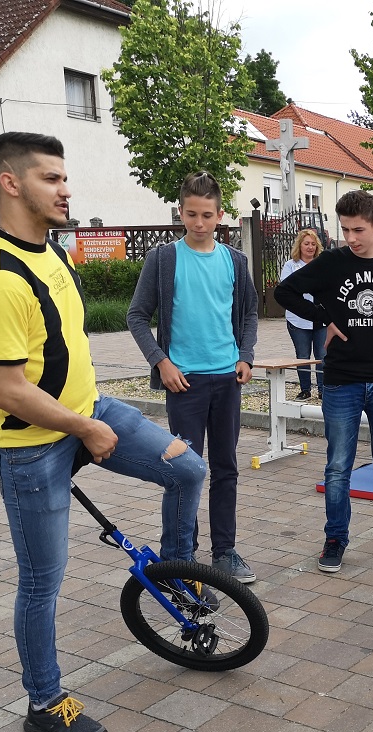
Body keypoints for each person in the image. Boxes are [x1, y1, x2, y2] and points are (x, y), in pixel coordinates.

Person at [0, 132, 210, 732]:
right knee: (42, 579)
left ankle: (173, 574)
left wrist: (92, 417)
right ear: (10, 183)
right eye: (51, 178)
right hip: (33, 444)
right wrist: (86, 429)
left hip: (89, 411)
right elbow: (7, 390)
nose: (65, 189)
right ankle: (44, 702)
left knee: (188, 469)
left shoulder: (51, 252)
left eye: (65, 178)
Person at [274, 190, 373, 574]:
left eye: (358, 230)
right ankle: (335, 539)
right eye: (345, 229)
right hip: (341, 380)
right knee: (337, 466)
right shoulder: (332, 261)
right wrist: (324, 319)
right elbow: (285, 291)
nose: (350, 238)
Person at [127, 172, 259, 585]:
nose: (199, 223)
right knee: (185, 470)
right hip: (183, 382)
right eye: (191, 214)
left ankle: (225, 552)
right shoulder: (163, 259)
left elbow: (250, 313)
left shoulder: (235, 261)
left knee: (225, 467)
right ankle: (184, 557)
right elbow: (136, 316)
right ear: (180, 213)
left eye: (206, 215)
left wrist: (246, 356)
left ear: (220, 215)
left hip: (227, 380)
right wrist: (161, 362)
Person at [280, 228, 327, 400]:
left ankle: (323, 389)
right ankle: (305, 389)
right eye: (306, 243)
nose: (310, 247)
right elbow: (286, 289)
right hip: (298, 319)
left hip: (321, 318)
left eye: (313, 244)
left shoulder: (321, 264)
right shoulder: (290, 265)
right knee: (302, 356)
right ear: (300, 245)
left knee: (322, 355)